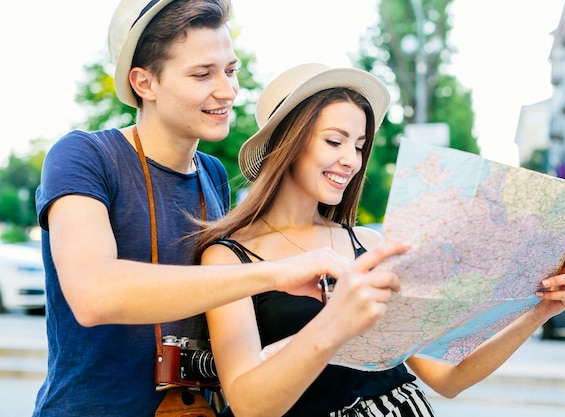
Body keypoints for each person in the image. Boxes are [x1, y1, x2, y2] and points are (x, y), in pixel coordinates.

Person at [32, 2, 408, 416]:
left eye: (230, 70)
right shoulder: (84, 155)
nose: (228, 91)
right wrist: (276, 273)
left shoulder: (211, 174)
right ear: (144, 82)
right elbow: (93, 294)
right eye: (202, 74)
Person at [196, 63, 565, 417]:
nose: (352, 159)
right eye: (335, 141)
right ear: (287, 142)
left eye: (360, 145)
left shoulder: (369, 244)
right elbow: (247, 405)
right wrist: (336, 323)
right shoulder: (228, 258)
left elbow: (448, 378)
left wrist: (538, 312)